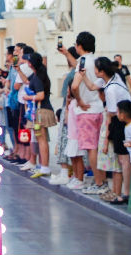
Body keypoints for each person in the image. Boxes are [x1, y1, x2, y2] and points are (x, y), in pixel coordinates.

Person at [70, 32, 106, 194]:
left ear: (79, 46)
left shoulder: (82, 62)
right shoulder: (96, 61)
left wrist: (79, 101)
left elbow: (74, 86)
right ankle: (102, 181)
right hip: (99, 108)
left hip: (86, 110)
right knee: (98, 147)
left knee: (91, 148)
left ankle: (98, 183)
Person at [94, 57, 130, 204]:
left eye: (96, 69)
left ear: (102, 71)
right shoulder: (114, 80)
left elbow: (112, 113)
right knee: (121, 161)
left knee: (123, 160)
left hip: (120, 122)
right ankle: (121, 193)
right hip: (121, 121)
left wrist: (107, 137)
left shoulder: (110, 89)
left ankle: (125, 193)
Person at [49, 46, 79, 185]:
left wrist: (67, 109)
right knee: (67, 141)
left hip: (69, 109)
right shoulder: (74, 73)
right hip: (69, 108)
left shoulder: (75, 73)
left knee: (65, 140)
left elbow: (69, 94)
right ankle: (69, 173)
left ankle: (66, 173)